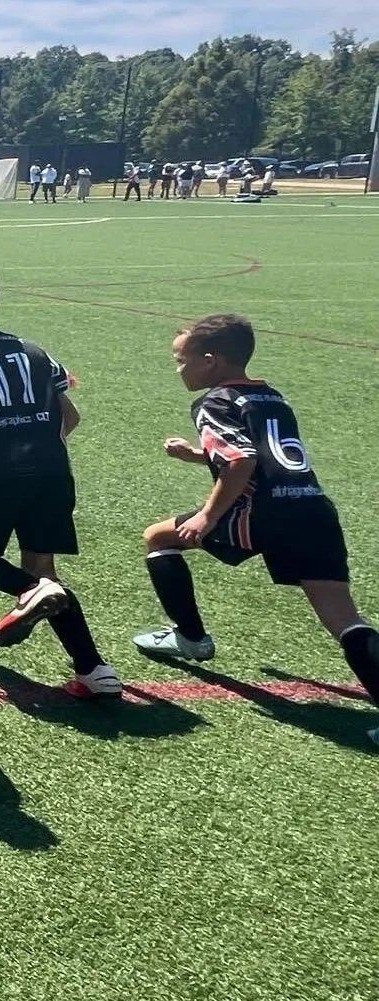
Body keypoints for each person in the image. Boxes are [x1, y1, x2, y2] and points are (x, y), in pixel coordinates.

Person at [132, 315, 379, 742]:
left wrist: (207, 517)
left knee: (158, 538)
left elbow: (242, 461)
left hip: (263, 512)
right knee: (343, 617)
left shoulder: (214, 401)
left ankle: (190, 638)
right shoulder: (270, 395)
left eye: (182, 360)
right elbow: (265, 454)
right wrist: (195, 455)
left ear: (210, 361)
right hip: (313, 508)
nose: (179, 369)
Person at [0, 263, 120, 697]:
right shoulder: (33, 350)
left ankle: (32, 591)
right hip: (52, 471)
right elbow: (70, 416)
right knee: (43, 567)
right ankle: (95, 670)